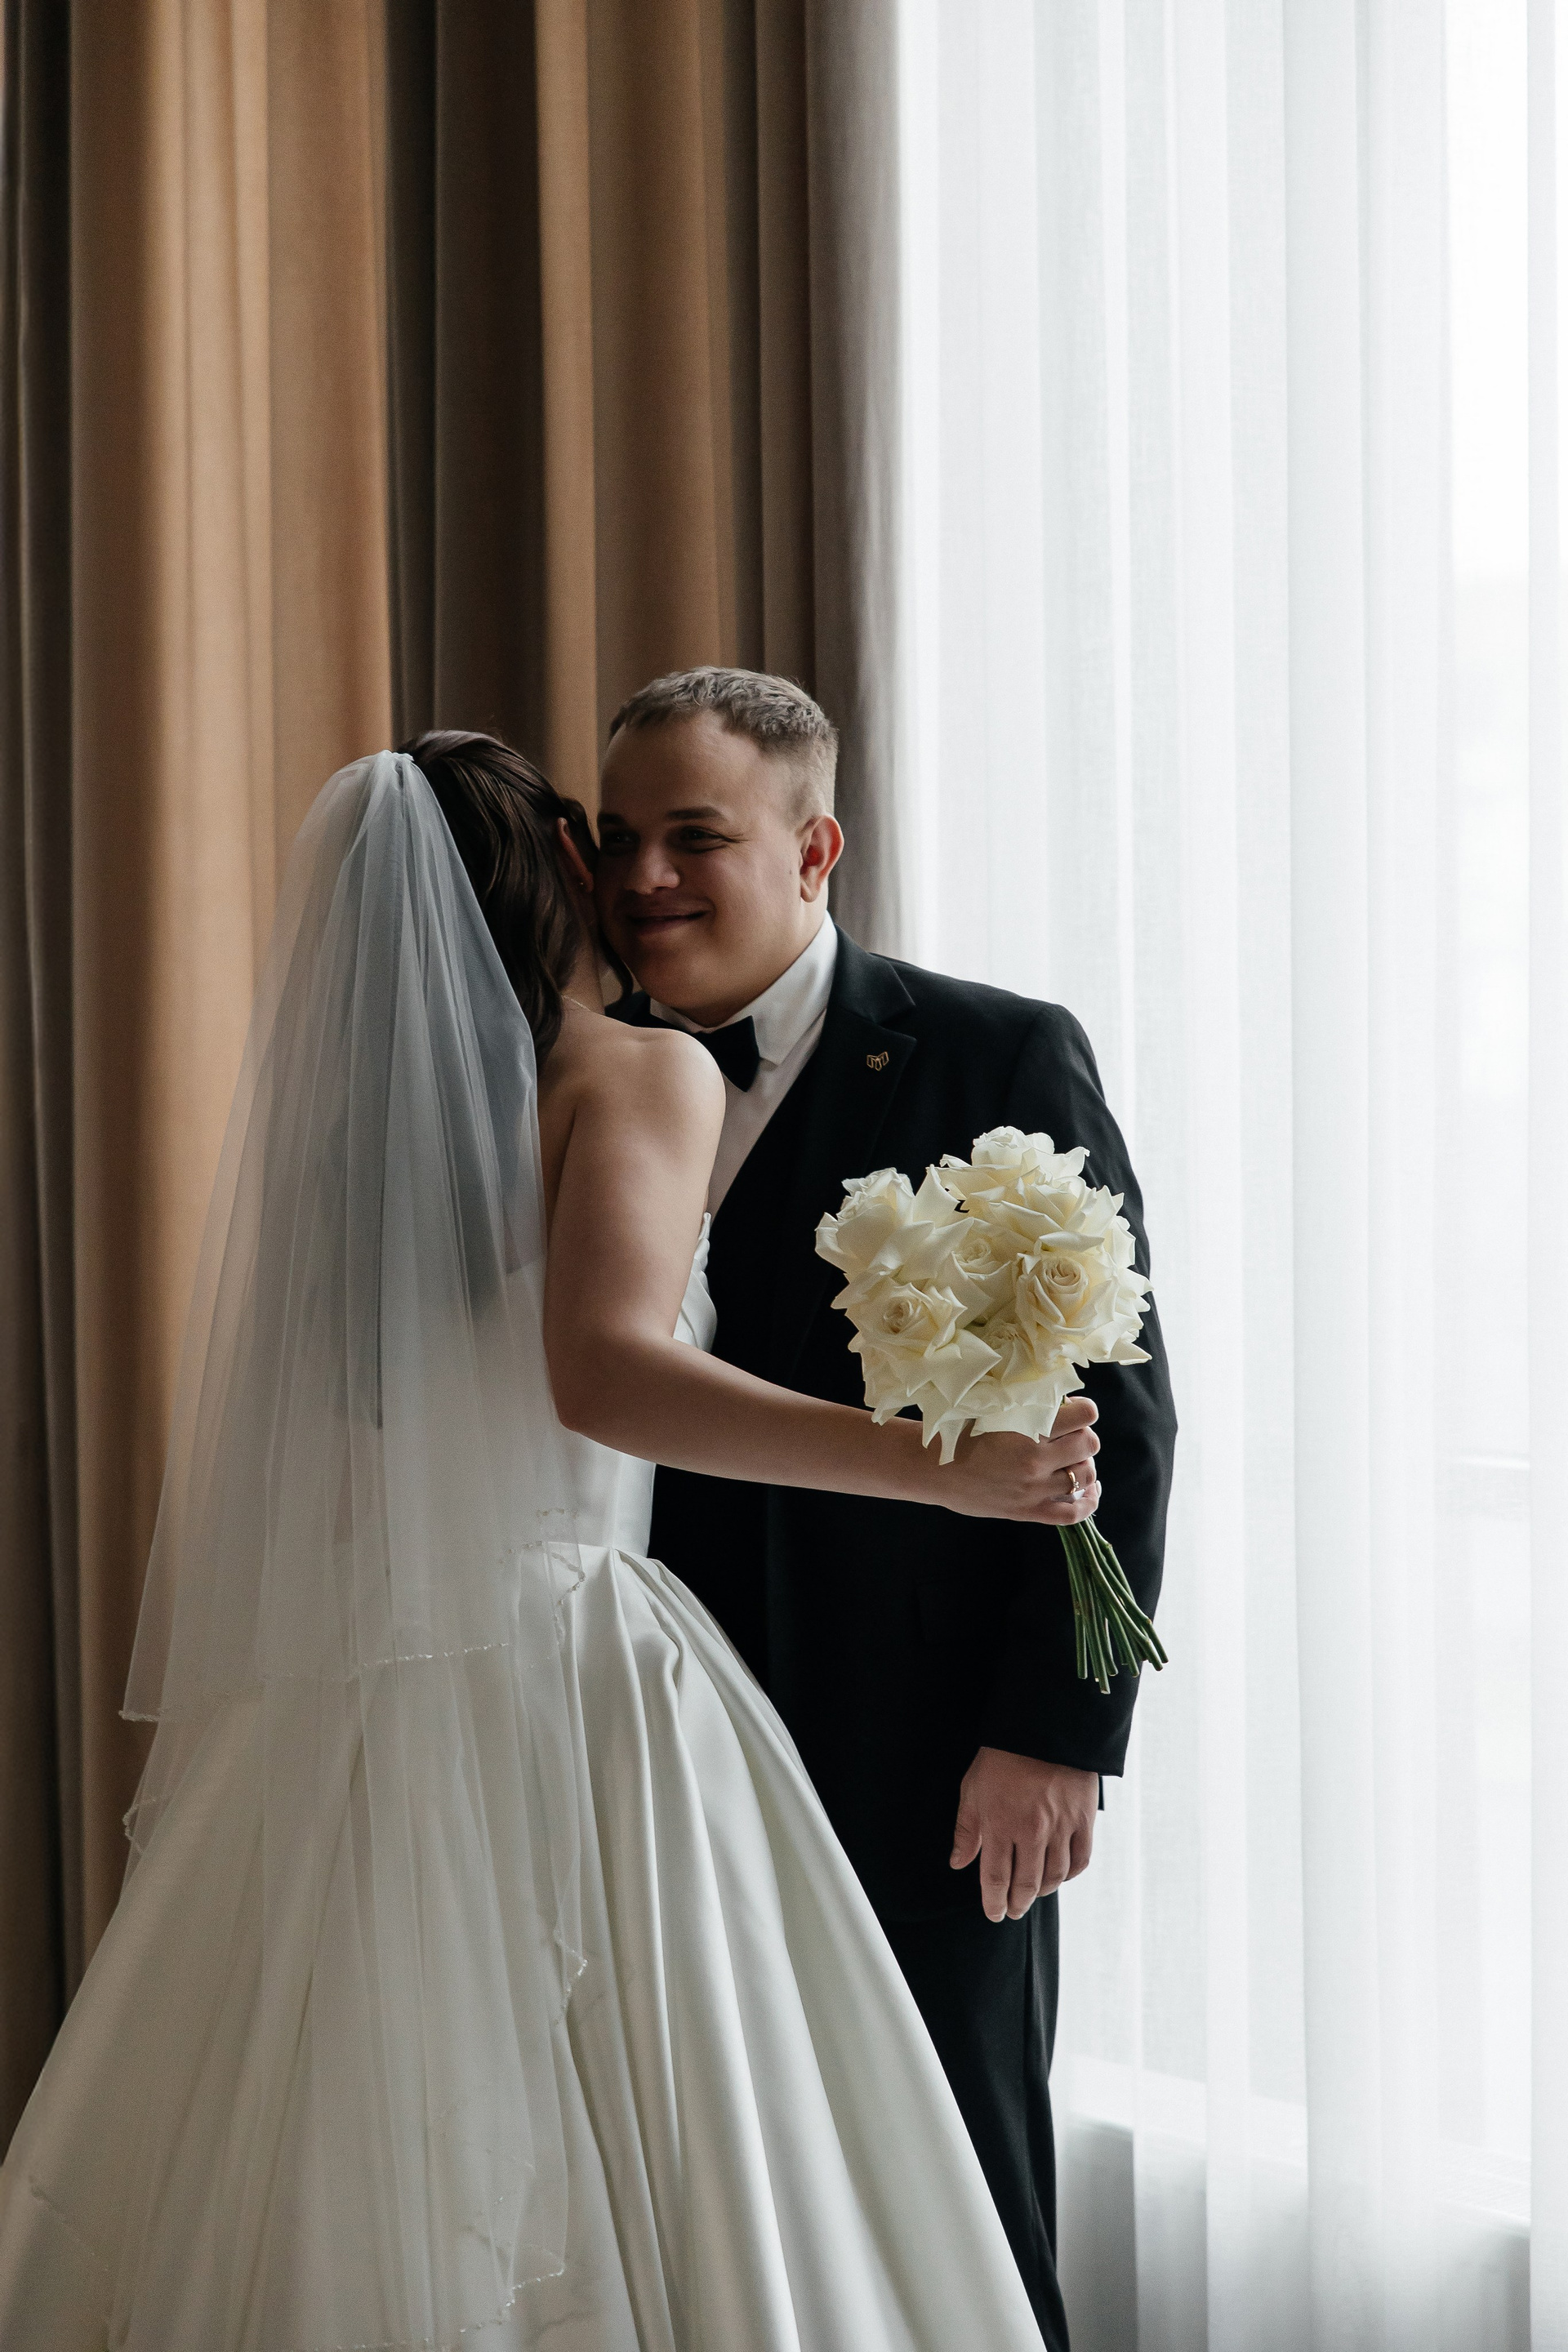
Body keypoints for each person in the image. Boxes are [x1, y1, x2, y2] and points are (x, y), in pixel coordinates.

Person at [0, 737, 1107, 2352]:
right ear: (560, 872)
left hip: (362, 1681)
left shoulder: (353, 1144)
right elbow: (602, 1378)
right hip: (571, 1661)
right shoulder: (636, 1071)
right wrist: (937, 1470)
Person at [599, 668, 1178, 2352]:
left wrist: (1053, 1729)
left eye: (693, 835)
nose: (644, 878)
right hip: (645, 1749)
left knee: (955, 2208)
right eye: (617, 837)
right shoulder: (578, 1072)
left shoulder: (992, 1050)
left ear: (814, 850)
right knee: (713, 2213)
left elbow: (1116, 1420)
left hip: (922, 1756)